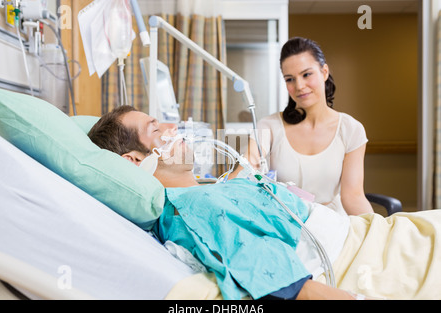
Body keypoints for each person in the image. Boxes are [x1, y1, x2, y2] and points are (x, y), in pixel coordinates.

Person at [88, 106, 441, 300]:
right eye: (155, 128)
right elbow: (276, 276)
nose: (172, 125)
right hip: (365, 257)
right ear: (135, 161)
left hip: (374, 235)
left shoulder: (210, 188)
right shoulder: (192, 206)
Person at [237, 37, 373, 216]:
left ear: (324, 72)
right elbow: (242, 174)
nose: (299, 86)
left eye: (307, 74)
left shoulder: (350, 129)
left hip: (332, 226)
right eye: (290, 79)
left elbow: (353, 196)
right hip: (283, 223)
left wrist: (378, 231)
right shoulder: (268, 127)